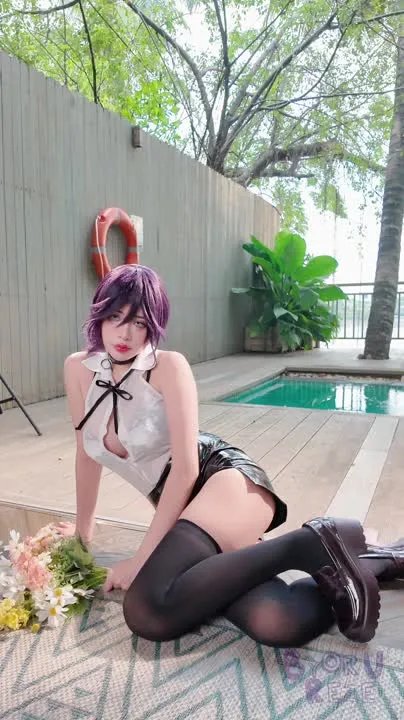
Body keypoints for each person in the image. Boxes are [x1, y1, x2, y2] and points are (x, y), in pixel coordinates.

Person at [61, 264, 402, 648]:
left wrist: (141, 560)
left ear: (153, 325)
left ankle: (310, 542)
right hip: (183, 509)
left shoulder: (167, 367)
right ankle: (377, 560)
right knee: (277, 621)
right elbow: (86, 455)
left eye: (139, 322)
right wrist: (82, 534)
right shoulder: (78, 369)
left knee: (147, 607)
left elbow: (186, 469)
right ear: (99, 314)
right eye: (115, 317)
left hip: (221, 481)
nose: (124, 333)